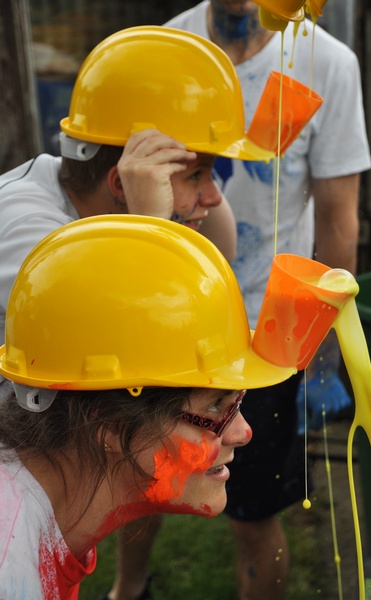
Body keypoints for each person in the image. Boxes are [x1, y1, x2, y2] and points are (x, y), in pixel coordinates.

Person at [101, 4, 371, 600]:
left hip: (265, 336)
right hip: (164, 322)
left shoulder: (327, 63)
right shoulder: (169, 48)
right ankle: (128, 589)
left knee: (253, 513)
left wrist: (317, 346)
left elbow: (337, 216)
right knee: (134, 488)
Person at [0, 24, 281, 600]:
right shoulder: (33, 242)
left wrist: (172, 208)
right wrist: (151, 222)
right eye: (198, 174)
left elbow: (218, 258)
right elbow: (131, 375)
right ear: (121, 181)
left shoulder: (91, 212)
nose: (211, 197)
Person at [0, 213, 296, 599]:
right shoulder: (12, 571)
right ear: (105, 421)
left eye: (237, 402)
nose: (243, 432)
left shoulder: (44, 518)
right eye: (215, 410)